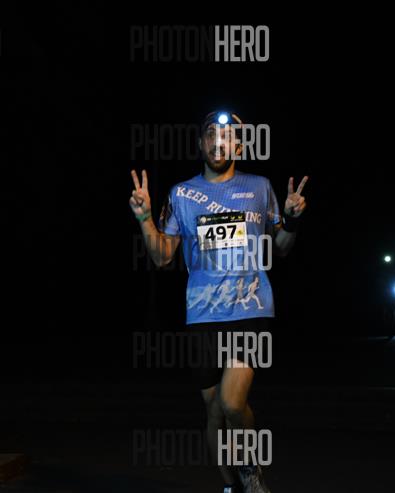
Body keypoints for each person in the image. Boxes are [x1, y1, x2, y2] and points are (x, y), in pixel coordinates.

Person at [130, 111, 308, 492]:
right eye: (211, 134)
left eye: (227, 136)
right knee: (213, 412)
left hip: (250, 309)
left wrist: (291, 222)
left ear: (239, 147)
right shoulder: (182, 194)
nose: (218, 141)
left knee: (231, 403)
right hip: (202, 316)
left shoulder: (259, 187)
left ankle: (251, 473)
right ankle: (232, 487)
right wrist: (144, 218)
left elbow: (281, 247)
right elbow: (163, 256)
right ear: (201, 144)